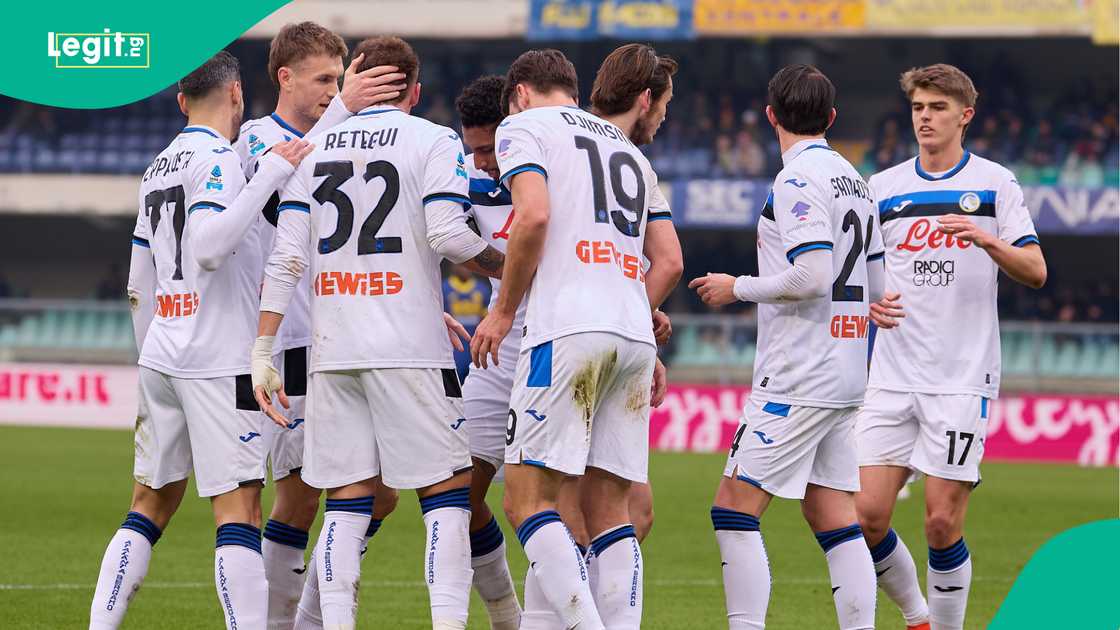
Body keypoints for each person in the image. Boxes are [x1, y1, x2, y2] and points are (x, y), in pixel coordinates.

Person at [251, 36, 504, 630]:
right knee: (447, 493)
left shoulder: (308, 152)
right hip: (409, 348)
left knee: (345, 499)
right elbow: (448, 235)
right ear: (415, 91)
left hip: (333, 351)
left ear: (353, 86)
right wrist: (508, 266)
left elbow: (286, 260)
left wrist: (262, 348)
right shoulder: (433, 139)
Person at [89, 51, 313, 630]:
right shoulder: (220, 159)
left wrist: (155, 354)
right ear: (237, 94)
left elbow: (139, 282)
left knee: (149, 504)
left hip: (164, 349)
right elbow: (210, 247)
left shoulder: (156, 166)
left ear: (182, 99)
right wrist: (268, 174)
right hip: (217, 359)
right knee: (239, 509)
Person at [470, 48, 662, 630]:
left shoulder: (523, 126)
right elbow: (669, 259)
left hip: (567, 328)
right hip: (633, 333)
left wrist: (503, 312)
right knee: (611, 512)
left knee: (525, 500)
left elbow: (531, 216)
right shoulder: (626, 147)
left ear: (520, 93)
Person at [689, 64, 883, 630]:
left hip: (801, 371)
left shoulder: (798, 180)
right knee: (831, 513)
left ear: (770, 116)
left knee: (733, 509)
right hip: (846, 366)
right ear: (832, 118)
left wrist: (736, 288)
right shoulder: (855, 177)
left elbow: (813, 276)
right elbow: (878, 276)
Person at [231, 21, 408, 630]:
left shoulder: (341, 146)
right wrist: (344, 113)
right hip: (287, 346)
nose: (336, 92)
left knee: (374, 492)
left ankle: (308, 614)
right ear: (285, 77)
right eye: (325, 80)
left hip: (342, 338)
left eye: (342, 80)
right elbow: (281, 206)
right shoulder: (257, 139)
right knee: (302, 496)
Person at [856, 63, 1046, 630]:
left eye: (937, 108)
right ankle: (918, 616)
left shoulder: (994, 183)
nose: (925, 118)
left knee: (941, 523)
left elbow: (1035, 270)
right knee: (864, 517)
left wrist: (988, 241)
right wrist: (866, 303)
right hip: (888, 376)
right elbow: (855, 275)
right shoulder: (882, 188)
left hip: (960, 380)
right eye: (918, 108)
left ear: (965, 115)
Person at [443, 263, 491, 380]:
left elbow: (487, 317)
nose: (464, 269)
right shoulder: (444, 287)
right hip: (454, 343)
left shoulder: (481, 288)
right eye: (460, 265)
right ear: (454, 266)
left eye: (466, 266)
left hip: (475, 339)